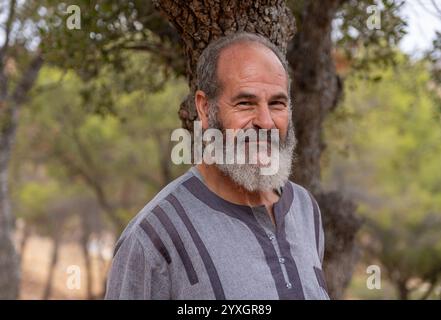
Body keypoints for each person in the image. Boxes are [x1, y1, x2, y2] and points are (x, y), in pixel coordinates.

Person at [105, 32, 329, 300]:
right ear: (204, 108)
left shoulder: (305, 209)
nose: (266, 122)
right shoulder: (153, 238)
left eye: (277, 103)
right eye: (245, 103)